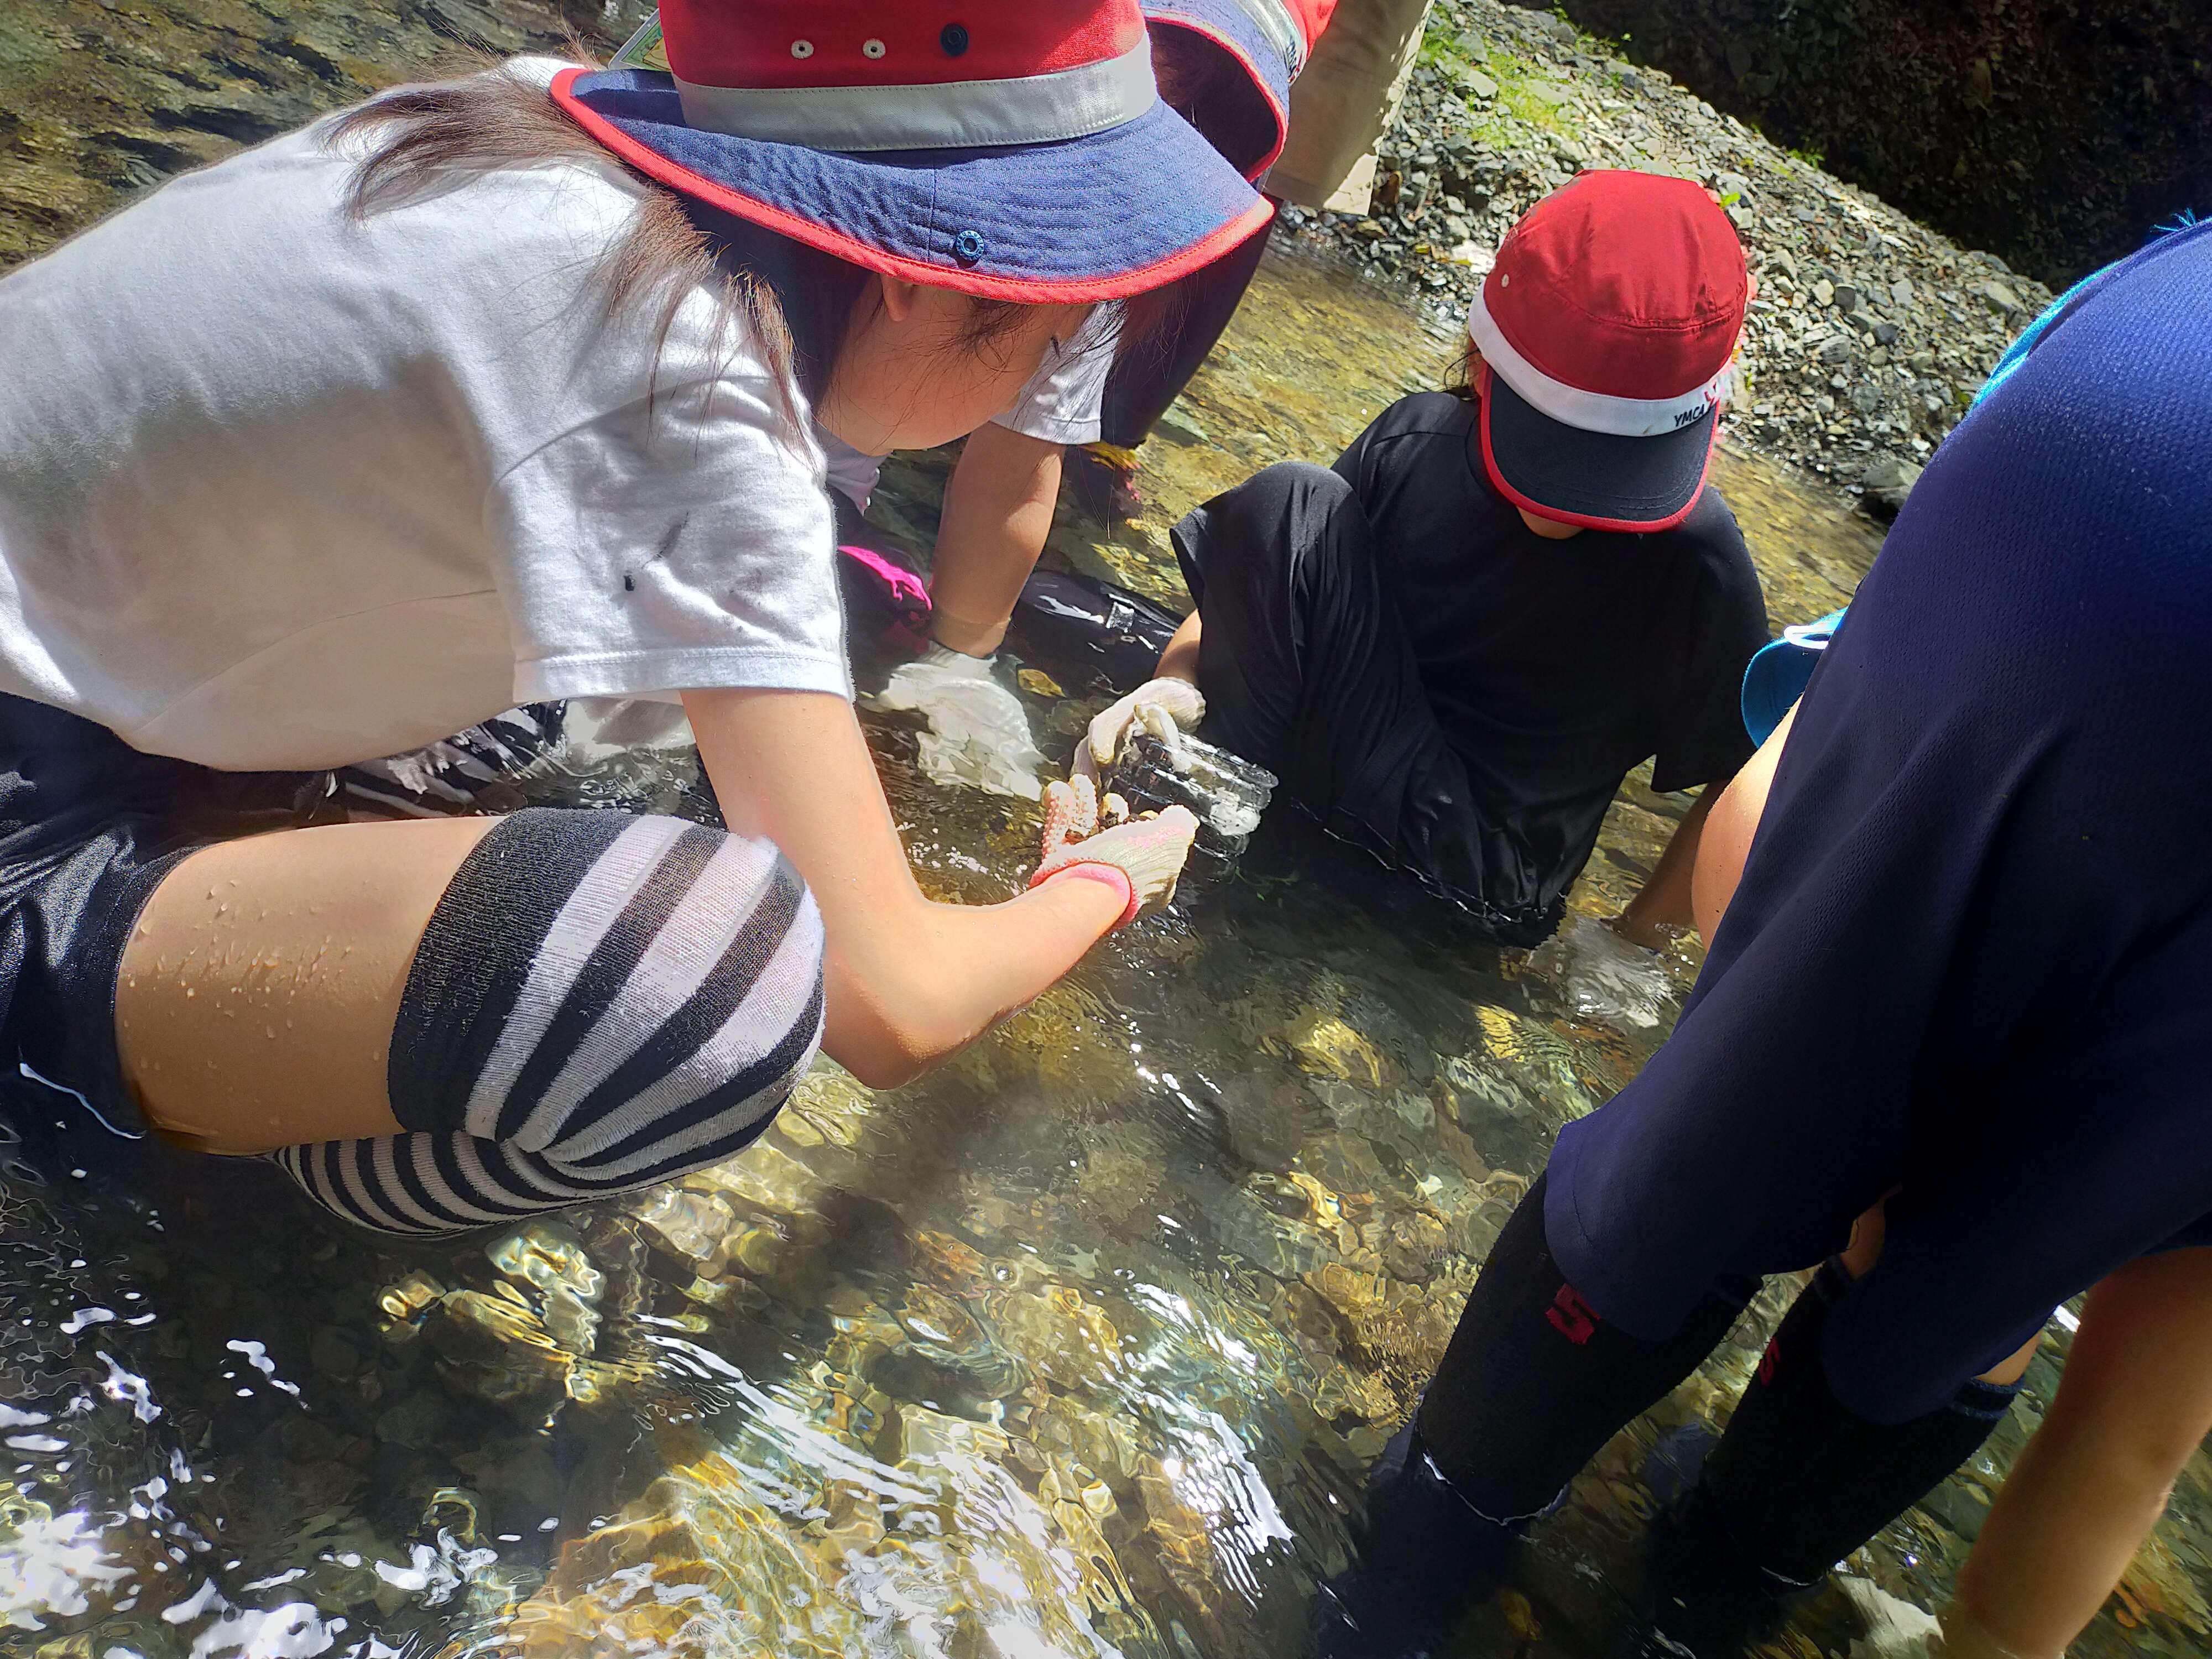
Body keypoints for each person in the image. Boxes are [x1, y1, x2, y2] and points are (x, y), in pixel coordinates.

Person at [0, 0, 1252, 1236]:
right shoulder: (688, 380)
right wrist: (1100, 883)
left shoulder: (535, 140)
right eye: (1053, 321)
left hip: (90, 684)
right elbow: (893, 1006)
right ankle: (227, 1203)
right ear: (908, 278)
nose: (1045, 375)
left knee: (606, 686)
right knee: (709, 981)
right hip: (30, 827)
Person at [1312, 212, 2212, 1657]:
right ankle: (1710, 1602)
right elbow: (2136, 1434)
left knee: (1703, 1166)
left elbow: (1759, 838)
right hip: (2140, 490)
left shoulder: (2141, 313)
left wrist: (1822, 1079)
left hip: (2132, 461)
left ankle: (1406, 1574)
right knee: (1990, 1276)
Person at [1097, 170, 1768, 946]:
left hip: (1475, 881)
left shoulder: (1696, 559)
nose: (1567, 504)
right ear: (1483, 366)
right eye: (1554, 458)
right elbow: (1272, 584)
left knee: (1293, 499)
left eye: (1609, 475)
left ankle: (1197, 841)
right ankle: (1190, 808)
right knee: (1078, 608)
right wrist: (1173, 684)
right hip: (1339, 781)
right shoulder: (1415, 443)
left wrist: (1636, 940)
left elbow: (1746, 775)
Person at [841, 0, 1337, 799]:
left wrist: (960, 663)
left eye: (1187, 132)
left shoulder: (1110, 225)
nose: (1140, 140)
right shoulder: (871, 125)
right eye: (1136, 84)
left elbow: (1017, 460)